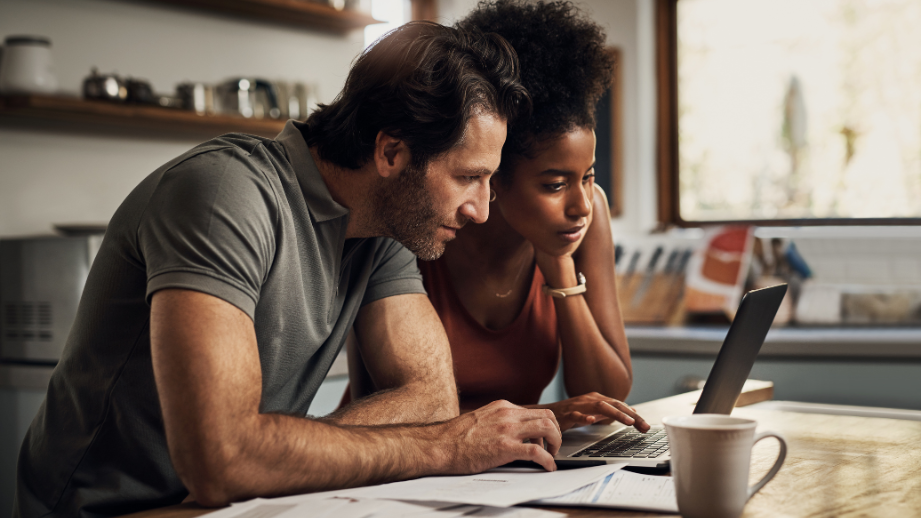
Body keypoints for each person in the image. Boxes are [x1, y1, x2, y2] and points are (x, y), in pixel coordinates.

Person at [14, 22, 565, 518]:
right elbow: (223, 460)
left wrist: (271, 455)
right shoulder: (225, 194)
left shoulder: (385, 226)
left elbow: (430, 399)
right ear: (392, 154)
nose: (483, 209)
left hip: (233, 504)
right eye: (468, 176)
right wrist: (445, 447)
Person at [343, 0, 650, 434]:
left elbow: (609, 395)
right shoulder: (419, 222)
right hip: (396, 468)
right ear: (494, 174)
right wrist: (537, 416)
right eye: (554, 184)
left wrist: (559, 267)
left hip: (505, 469)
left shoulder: (584, 217)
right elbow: (376, 410)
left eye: (588, 176)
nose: (581, 204)